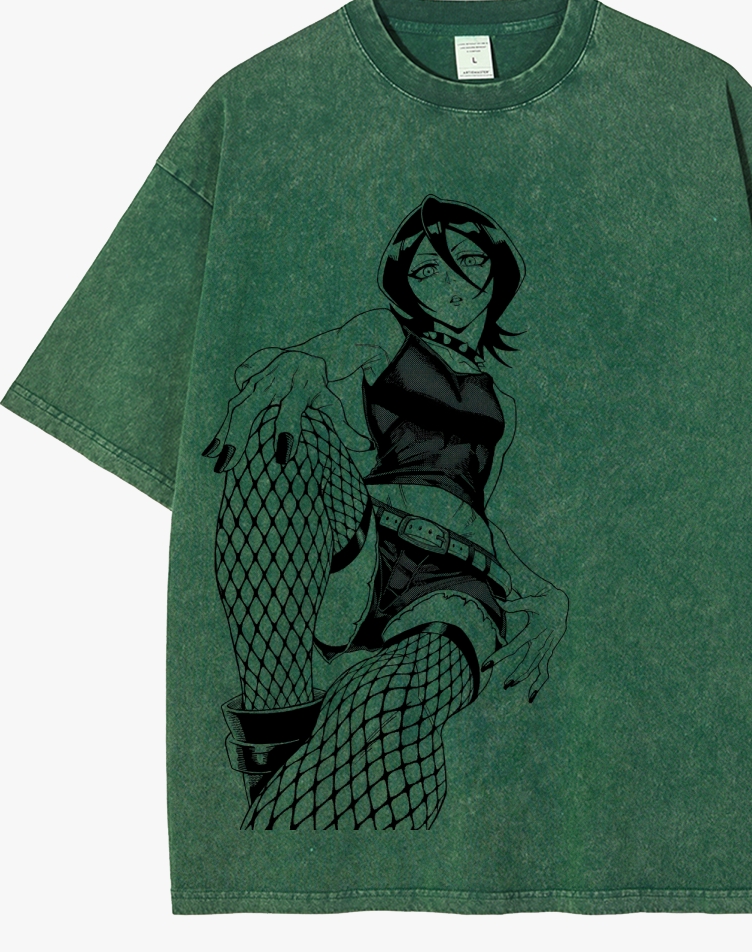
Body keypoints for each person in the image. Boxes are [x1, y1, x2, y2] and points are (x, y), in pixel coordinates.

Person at [204, 195, 569, 828]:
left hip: (453, 590)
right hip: (365, 543)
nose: (449, 281)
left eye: (467, 260)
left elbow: (479, 514)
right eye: (426, 270)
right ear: (407, 286)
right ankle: (282, 712)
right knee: (284, 423)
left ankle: (276, 768)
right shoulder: (384, 335)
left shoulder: (501, 405)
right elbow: (318, 357)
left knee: (380, 708)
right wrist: (303, 366)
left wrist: (548, 595)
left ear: (497, 272)